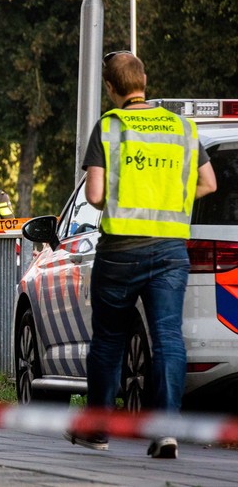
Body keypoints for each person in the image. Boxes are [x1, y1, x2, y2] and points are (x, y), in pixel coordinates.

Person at [64, 51, 217, 459]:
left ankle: (97, 429)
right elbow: (209, 183)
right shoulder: (181, 127)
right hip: (169, 249)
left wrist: (125, 201)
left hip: (121, 251)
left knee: (110, 340)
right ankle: (166, 431)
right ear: (144, 80)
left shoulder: (110, 126)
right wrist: (171, 203)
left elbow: (94, 195)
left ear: (111, 88)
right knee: (168, 337)